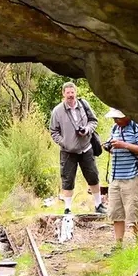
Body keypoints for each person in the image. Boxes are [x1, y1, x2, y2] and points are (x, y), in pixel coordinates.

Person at [49, 82, 107, 215]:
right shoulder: (57, 111)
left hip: (86, 147)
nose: (70, 95)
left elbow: (94, 121)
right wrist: (64, 142)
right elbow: (53, 131)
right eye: (68, 92)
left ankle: (98, 205)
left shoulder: (84, 105)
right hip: (68, 151)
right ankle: (67, 209)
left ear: (76, 92)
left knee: (93, 176)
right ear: (63, 94)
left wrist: (87, 129)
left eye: (72, 92)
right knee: (68, 179)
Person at [103, 108, 138, 247]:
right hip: (115, 177)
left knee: (134, 212)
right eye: (114, 118)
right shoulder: (115, 128)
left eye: (118, 118)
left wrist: (124, 145)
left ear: (127, 116)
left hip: (132, 176)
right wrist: (109, 146)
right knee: (116, 213)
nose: (116, 121)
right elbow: (111, 145)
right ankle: (118, 245)